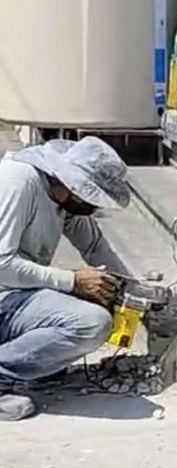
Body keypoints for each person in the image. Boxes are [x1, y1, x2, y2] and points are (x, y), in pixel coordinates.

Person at [0, 137, 131, 421]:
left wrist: (131, 290)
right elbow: (2, 264)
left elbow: (95, 247)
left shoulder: (61, 196)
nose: (93, 206)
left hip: (14, 293)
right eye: (90, 197)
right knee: (91, 322)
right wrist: (72, 281)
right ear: (71, 185)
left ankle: (33, 365)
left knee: (102, 294)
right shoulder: (19, 181)